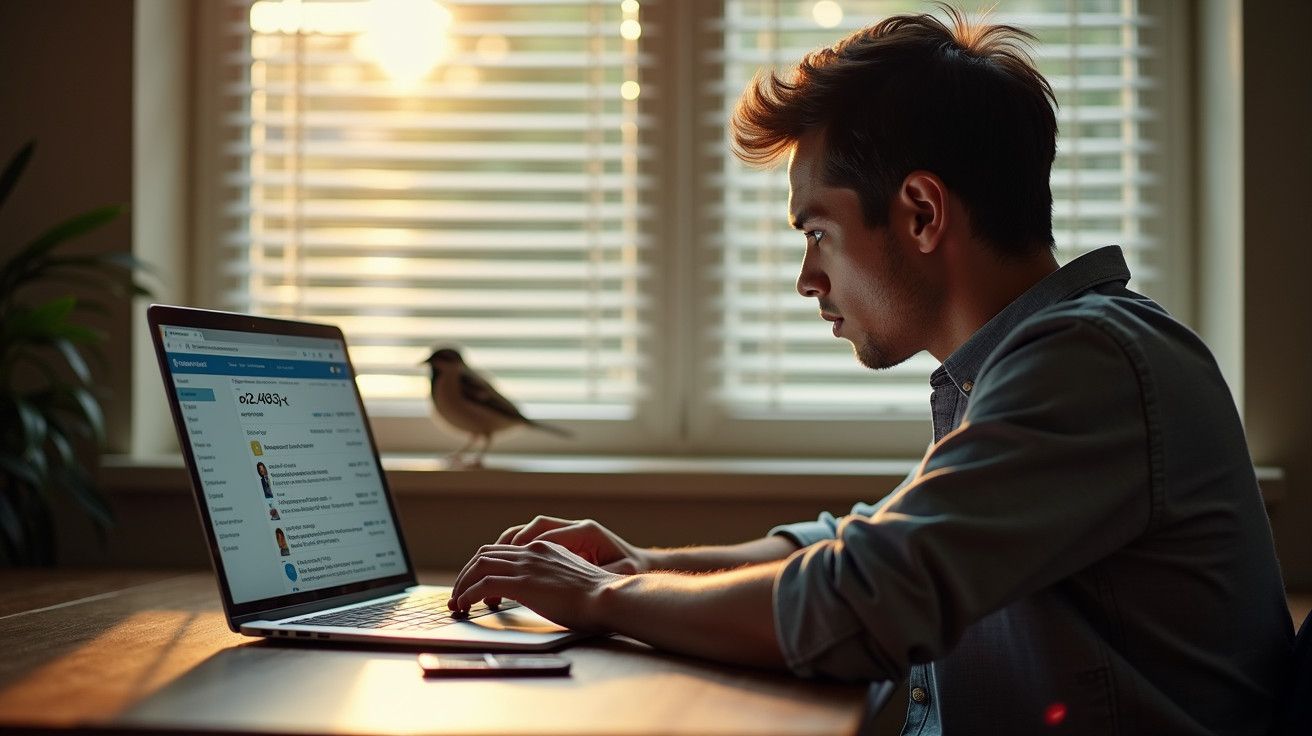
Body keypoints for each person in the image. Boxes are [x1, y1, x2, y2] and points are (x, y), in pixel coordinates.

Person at [448, 7, 1292, 734]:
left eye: (817, 233)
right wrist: (645, 567)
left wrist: (602, 600)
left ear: (921, 213)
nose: (807, 279)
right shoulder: (1025, 366)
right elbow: (863, 544)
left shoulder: (1089, 365)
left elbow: (864, 596)